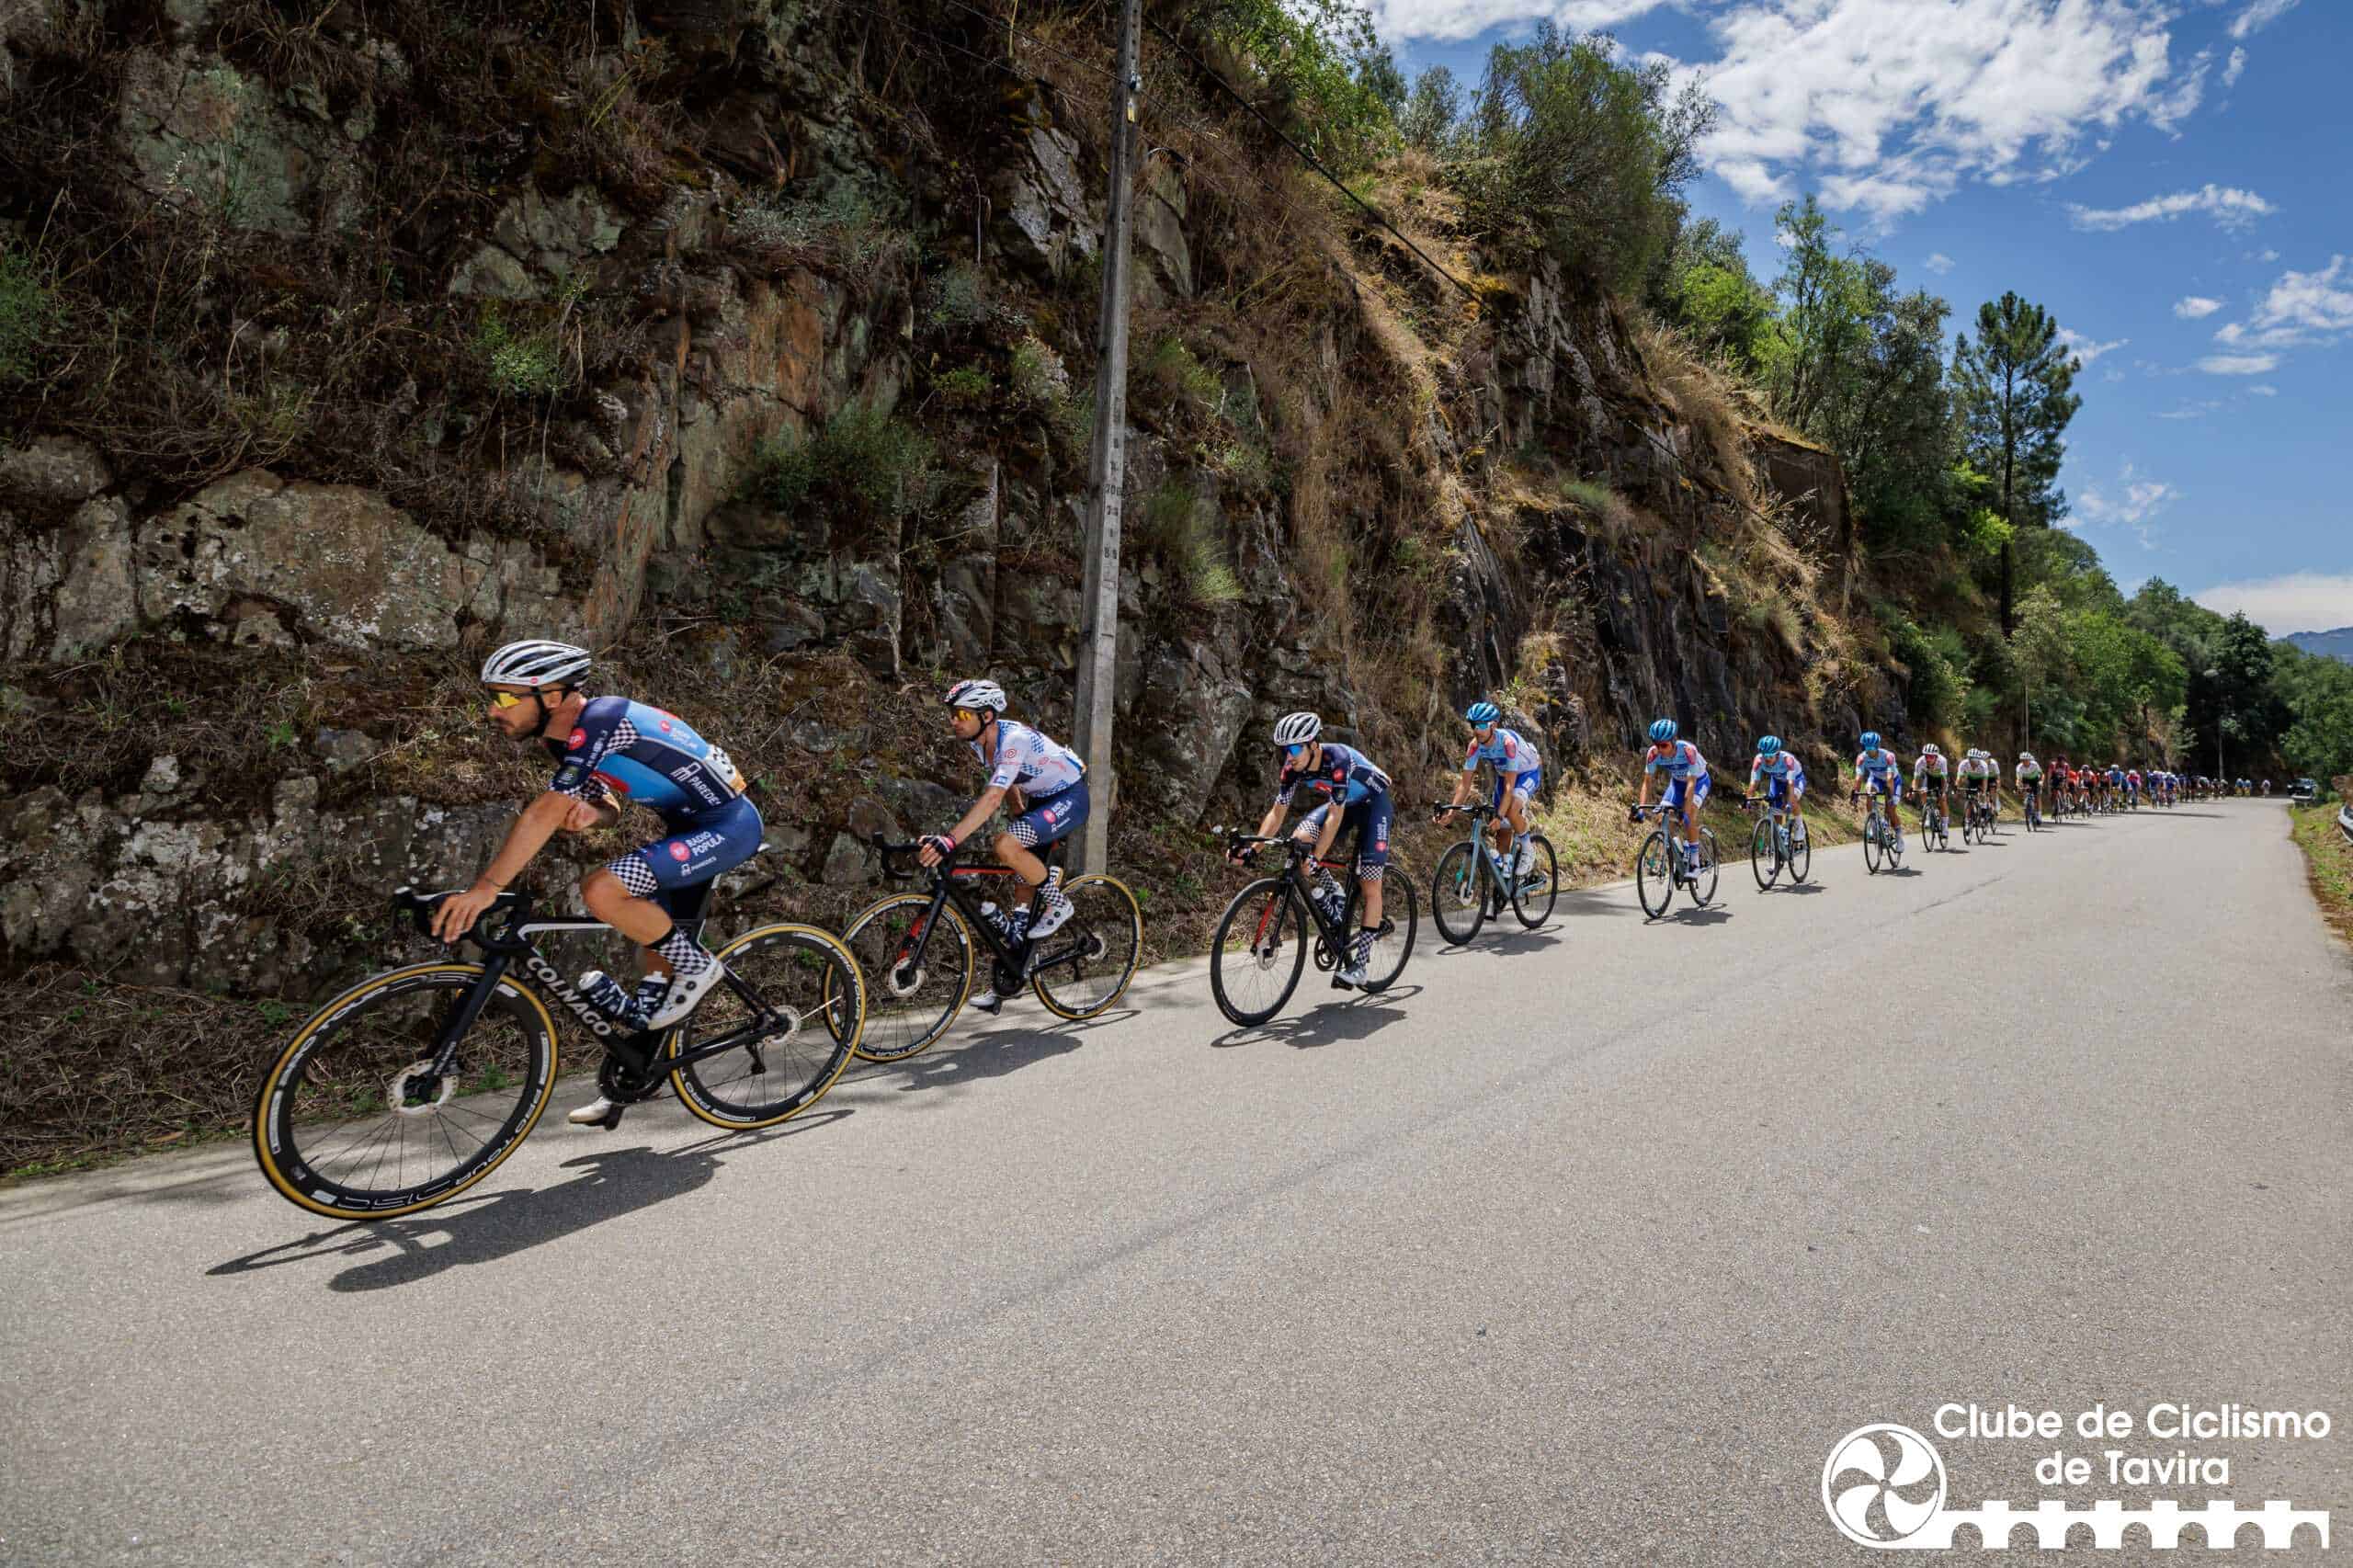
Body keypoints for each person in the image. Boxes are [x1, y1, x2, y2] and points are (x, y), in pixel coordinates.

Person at [430, 639, 764, 1127]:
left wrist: (485, 888)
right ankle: (632, 1078)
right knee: (657, 959)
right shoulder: (560, 741)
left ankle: (699, 969)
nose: (493, 710)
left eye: (505, 698)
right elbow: (607, 806)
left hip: (727, 825)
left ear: (551, 697)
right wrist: (594, 813)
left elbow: (544, 811)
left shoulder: (604, 719)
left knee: (602, 889)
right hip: (686, 828)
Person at [918, 678, 1087, 1015]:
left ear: (987, 715)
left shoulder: (1014, 739)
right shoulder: (980, 742)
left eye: (962, 714)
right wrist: (1018, 810)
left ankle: (1059, 905)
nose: (955, 720)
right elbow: (1005, 780)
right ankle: (1009, 979)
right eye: (953, 714)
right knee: (1020, 881)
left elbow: (992, 794)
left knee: (1005, 845)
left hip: (1069, 795)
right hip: (1041, 800)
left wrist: (951, 838)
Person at [1233, 712, 1393, 988]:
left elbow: (1334, 818)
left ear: (1313, 746)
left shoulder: (1339, 760)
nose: (1289, 755)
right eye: (1285, 749)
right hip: (1343, 804)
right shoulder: (1292, 767)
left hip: (1374, 804)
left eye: (1295, 748)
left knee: (1370, 883)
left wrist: (1316, 858)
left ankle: (1360, 965)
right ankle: (1336, 894)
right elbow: (1277, 812)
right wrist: (1253, 850)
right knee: (1299, 839)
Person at [1441, 701, 1542, 880]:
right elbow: (1464, 784)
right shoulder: (1474, 746)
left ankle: (1528, 849)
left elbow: (1510, 788)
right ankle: (1505, 881)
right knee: (1502, 835)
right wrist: (1451, 812)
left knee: (1510, 812)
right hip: (1505, 776)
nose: (1476, 730)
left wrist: (1499, 815)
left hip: (1527, 772)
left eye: (1481, 726)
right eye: (1473, 725)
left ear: (1493, 726)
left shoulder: (1508, 744)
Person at [1634, 718, 1711, 879]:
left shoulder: (1688, 751)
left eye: (1664, 745)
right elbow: (1647, 782)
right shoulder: (1653, 754)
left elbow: (1691, 783)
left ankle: (1695, 864)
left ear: (1673, 741)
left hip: (1698, 782)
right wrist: (1640, 810)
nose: (1660, 749)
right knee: (1662, 817)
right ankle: (1679, 853)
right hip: (1677, 784)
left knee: (1689, 817)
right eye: (1657, 744)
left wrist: (1685, 810)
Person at [1746, 734, 1807, 854]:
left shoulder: (1787, 760)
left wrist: (1789, 803)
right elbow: (1753, 784)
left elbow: (1790, 784)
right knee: (1775, 810)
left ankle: (1800, 828)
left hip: (1795, 779)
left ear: (1778, 753)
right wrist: (1747, 801)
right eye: (1765, 755)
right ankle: (1780, 841)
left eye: (1770, 756)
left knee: (1793, 800)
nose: (1767, 759)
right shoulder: (1759, 761)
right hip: (1777, 781)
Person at [1851, 732, 1906, 850]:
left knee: (1891, 811)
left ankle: (1899, 836)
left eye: (1871, 748)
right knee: (1869, 792)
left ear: (1877, 746)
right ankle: (1873, 824)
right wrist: (1855, 793)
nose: (1869, 751)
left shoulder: (1888, 756)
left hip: (1893, 781)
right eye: (1866, 748)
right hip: (1876, 778)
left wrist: (1890, 796)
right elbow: (1859, 777)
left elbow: (1890, 778)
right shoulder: (1862, 758)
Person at [1911, 743, 1951, 837]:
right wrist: (1913, 790)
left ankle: (1945, 826)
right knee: (1923, 791)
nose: (1928, 759)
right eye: (1926, 756)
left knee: (1942, 799)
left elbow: (1944, 780)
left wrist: (1943, 792)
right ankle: (1928, 813)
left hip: (1941, 779)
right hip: (1929, 778)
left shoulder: (1942, 761)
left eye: (1931, 757)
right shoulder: (1920, 762)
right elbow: (1916, 780)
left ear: (1936, 757)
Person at [1959, 747, 1997, 829]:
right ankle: (1968, 820)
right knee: (1969, 800)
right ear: (1968, 758)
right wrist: (1957, 787)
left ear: (1979, 760)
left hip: (1981, 780)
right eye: (1971, 759)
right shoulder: (1963, 763)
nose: (1973, 762)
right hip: (1971, 780)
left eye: (1975, 760)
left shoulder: (1983, 765)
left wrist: (1983, 792)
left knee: (1982, 796)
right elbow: (1959, 778)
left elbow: (1985, 781)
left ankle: (1983, 817)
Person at [2015, 751, 2043, 821]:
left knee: (2037, 797)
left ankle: (2039, 815)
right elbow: (2019, 779)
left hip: (2035, 780)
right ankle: (2027, 805)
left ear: (2029, 760)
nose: (2025, 762)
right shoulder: (2019, 767)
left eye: (2026, 760)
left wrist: (2041, 781)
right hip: (2026, 780)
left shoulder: (2035, 764)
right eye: (2023, 760)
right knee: (2023, 791)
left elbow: (2042, 774)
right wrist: (2018, 787)